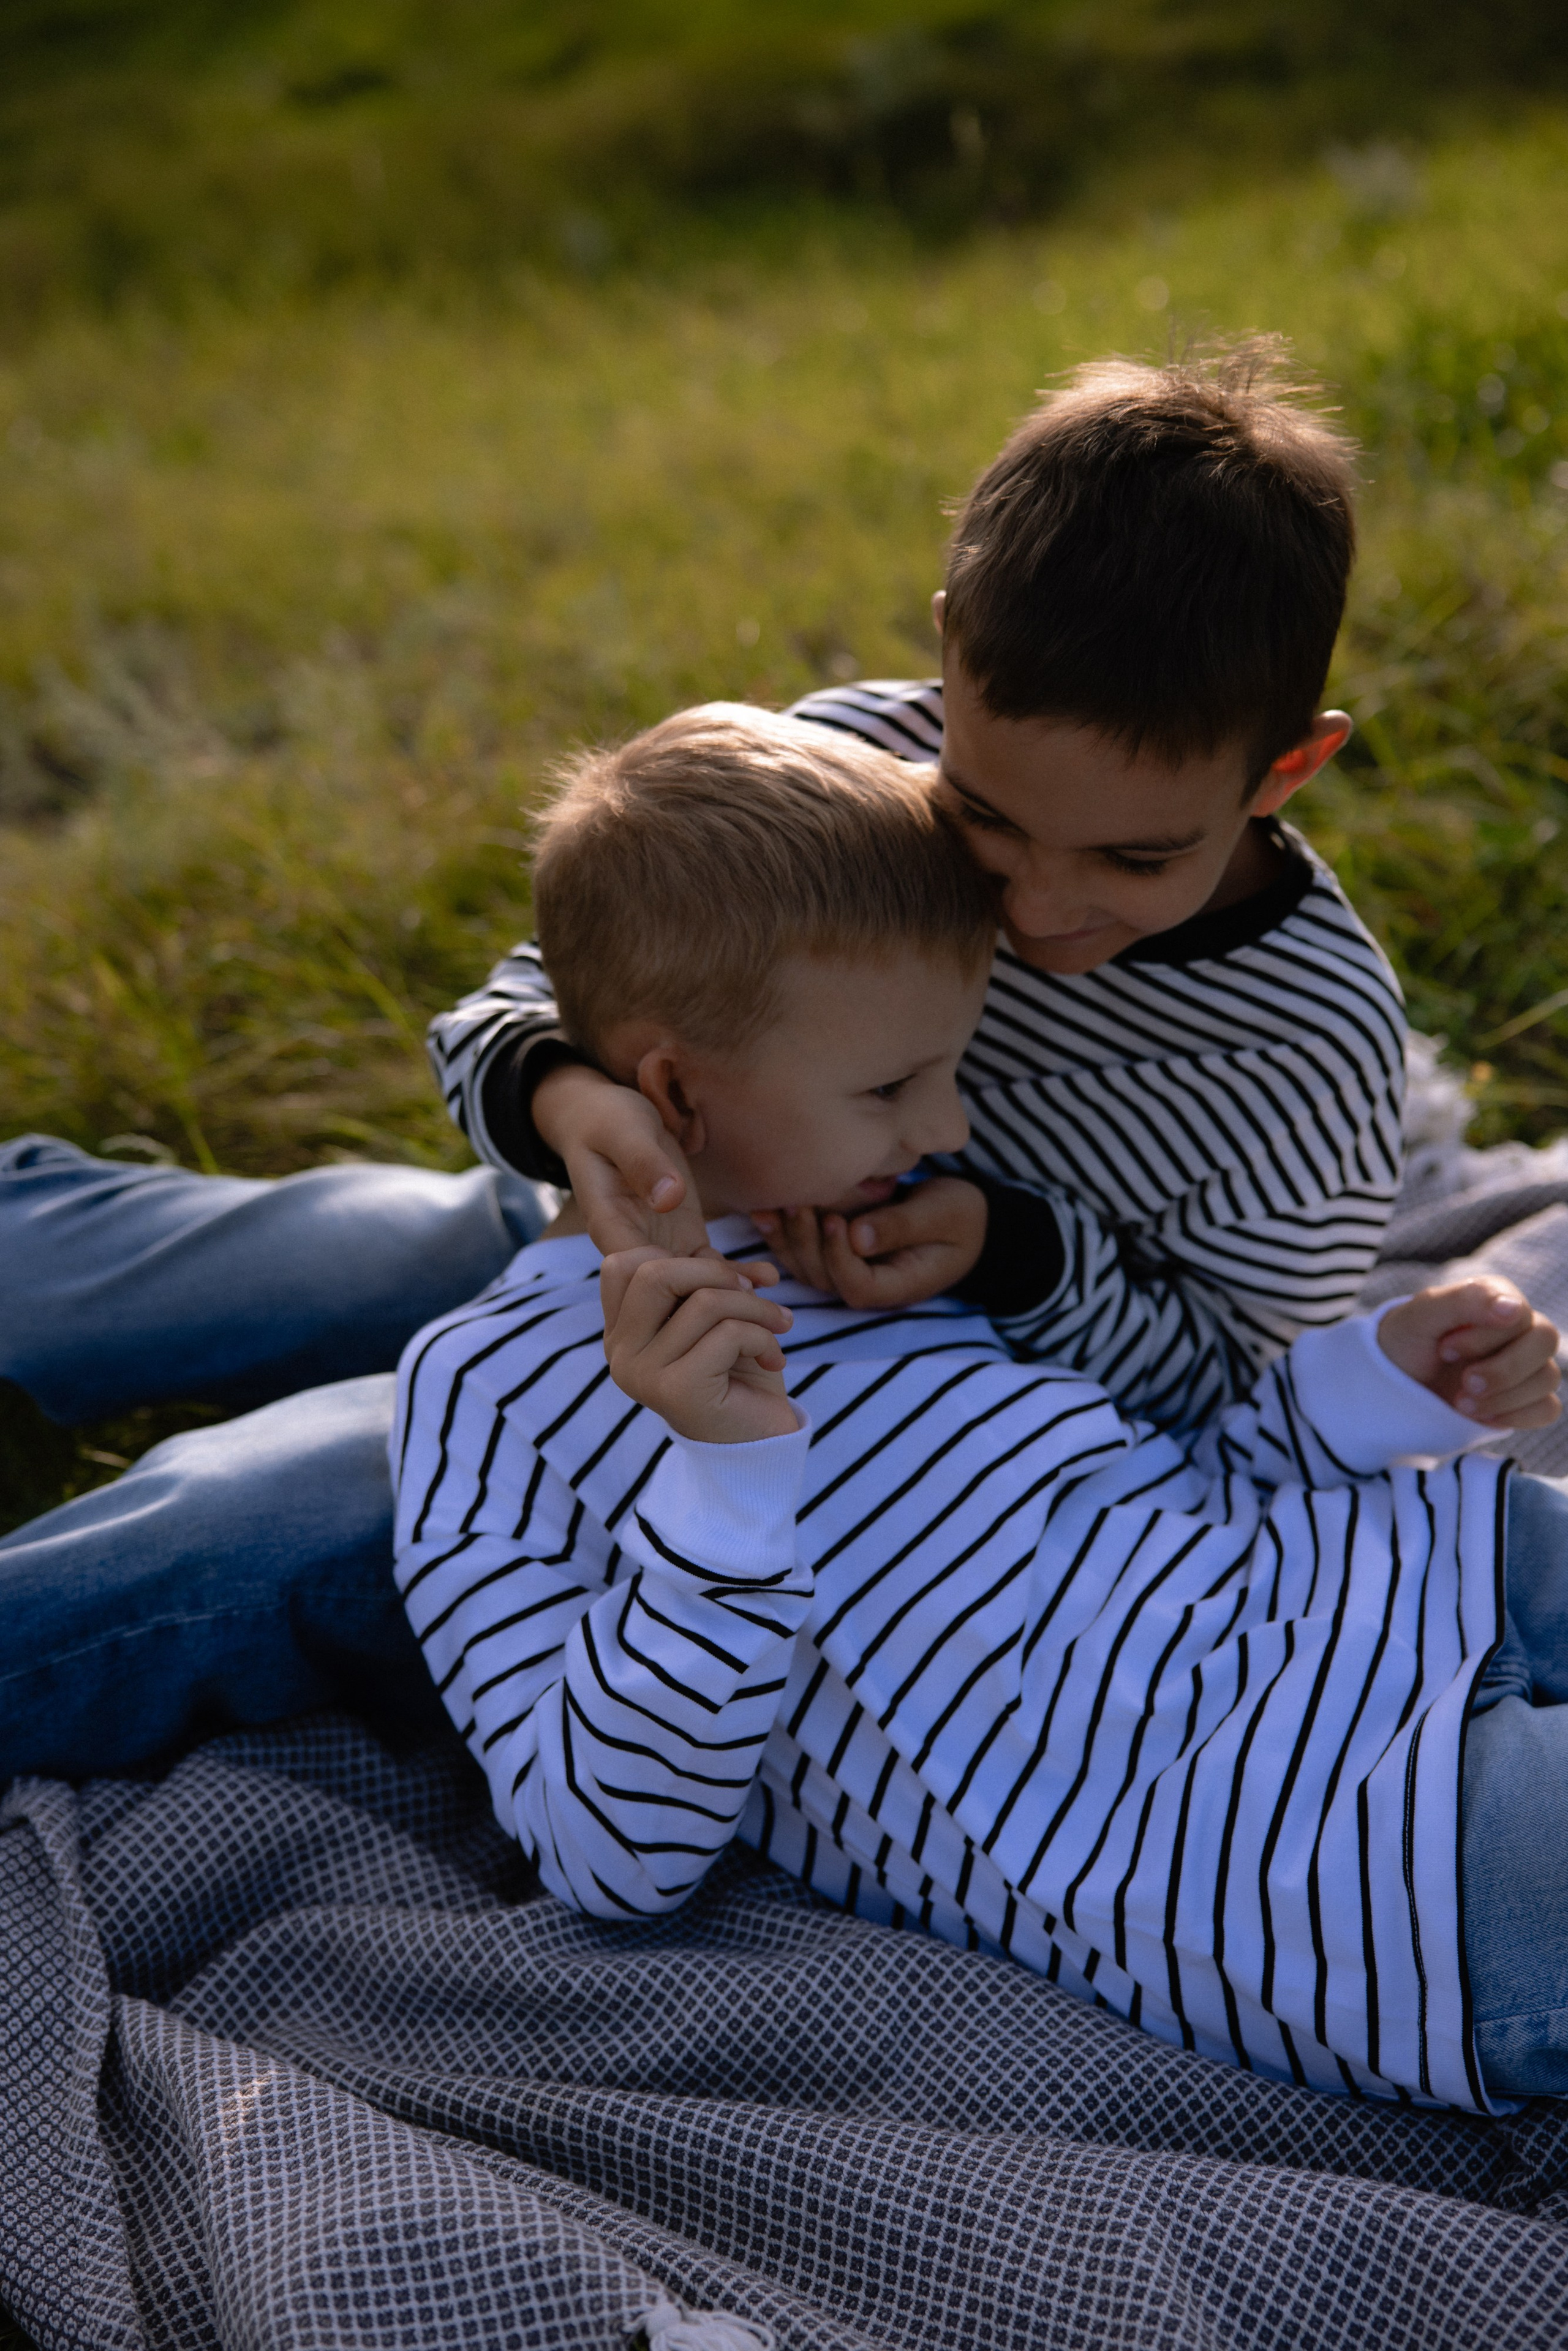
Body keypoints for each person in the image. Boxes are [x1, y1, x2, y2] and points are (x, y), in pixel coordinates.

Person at [393, 703, 1568, 2113]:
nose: (947, 1128)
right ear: (670, 1094)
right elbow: (605, 1851)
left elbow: (1167, 1490)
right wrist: (722, 1487)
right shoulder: (487, 1392)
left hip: (1418, 1581)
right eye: (892, 1084)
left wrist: (1368, 1386)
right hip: (1334, 1849)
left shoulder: (881, 1238)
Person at [430, 338, 1402, 1435]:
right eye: (982, 815)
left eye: (1136, 859)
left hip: (858, 1402)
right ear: (951, 654)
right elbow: (516, 1004)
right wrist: (573, 1104)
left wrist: (1008, 1249)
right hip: (603, 1223)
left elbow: (1237, 1380)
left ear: (1287, 772)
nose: (1030, 913)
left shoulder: (1310, 1048)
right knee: (344, 1258)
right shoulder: (855, 763)